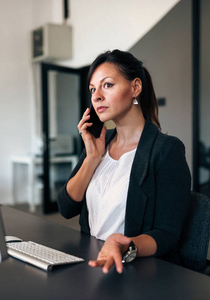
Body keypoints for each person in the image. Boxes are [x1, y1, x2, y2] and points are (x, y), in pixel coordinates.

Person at [57, 50, 191, 274]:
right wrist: (92, 159)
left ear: (135, 87)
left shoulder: (166, 150)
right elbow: (66, 207)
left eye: (107, 85)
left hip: (132, 268)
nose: (97, 96)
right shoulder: (100, 143)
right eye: (92, 89)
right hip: (92, 261)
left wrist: (125, 245)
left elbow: (167, 234)